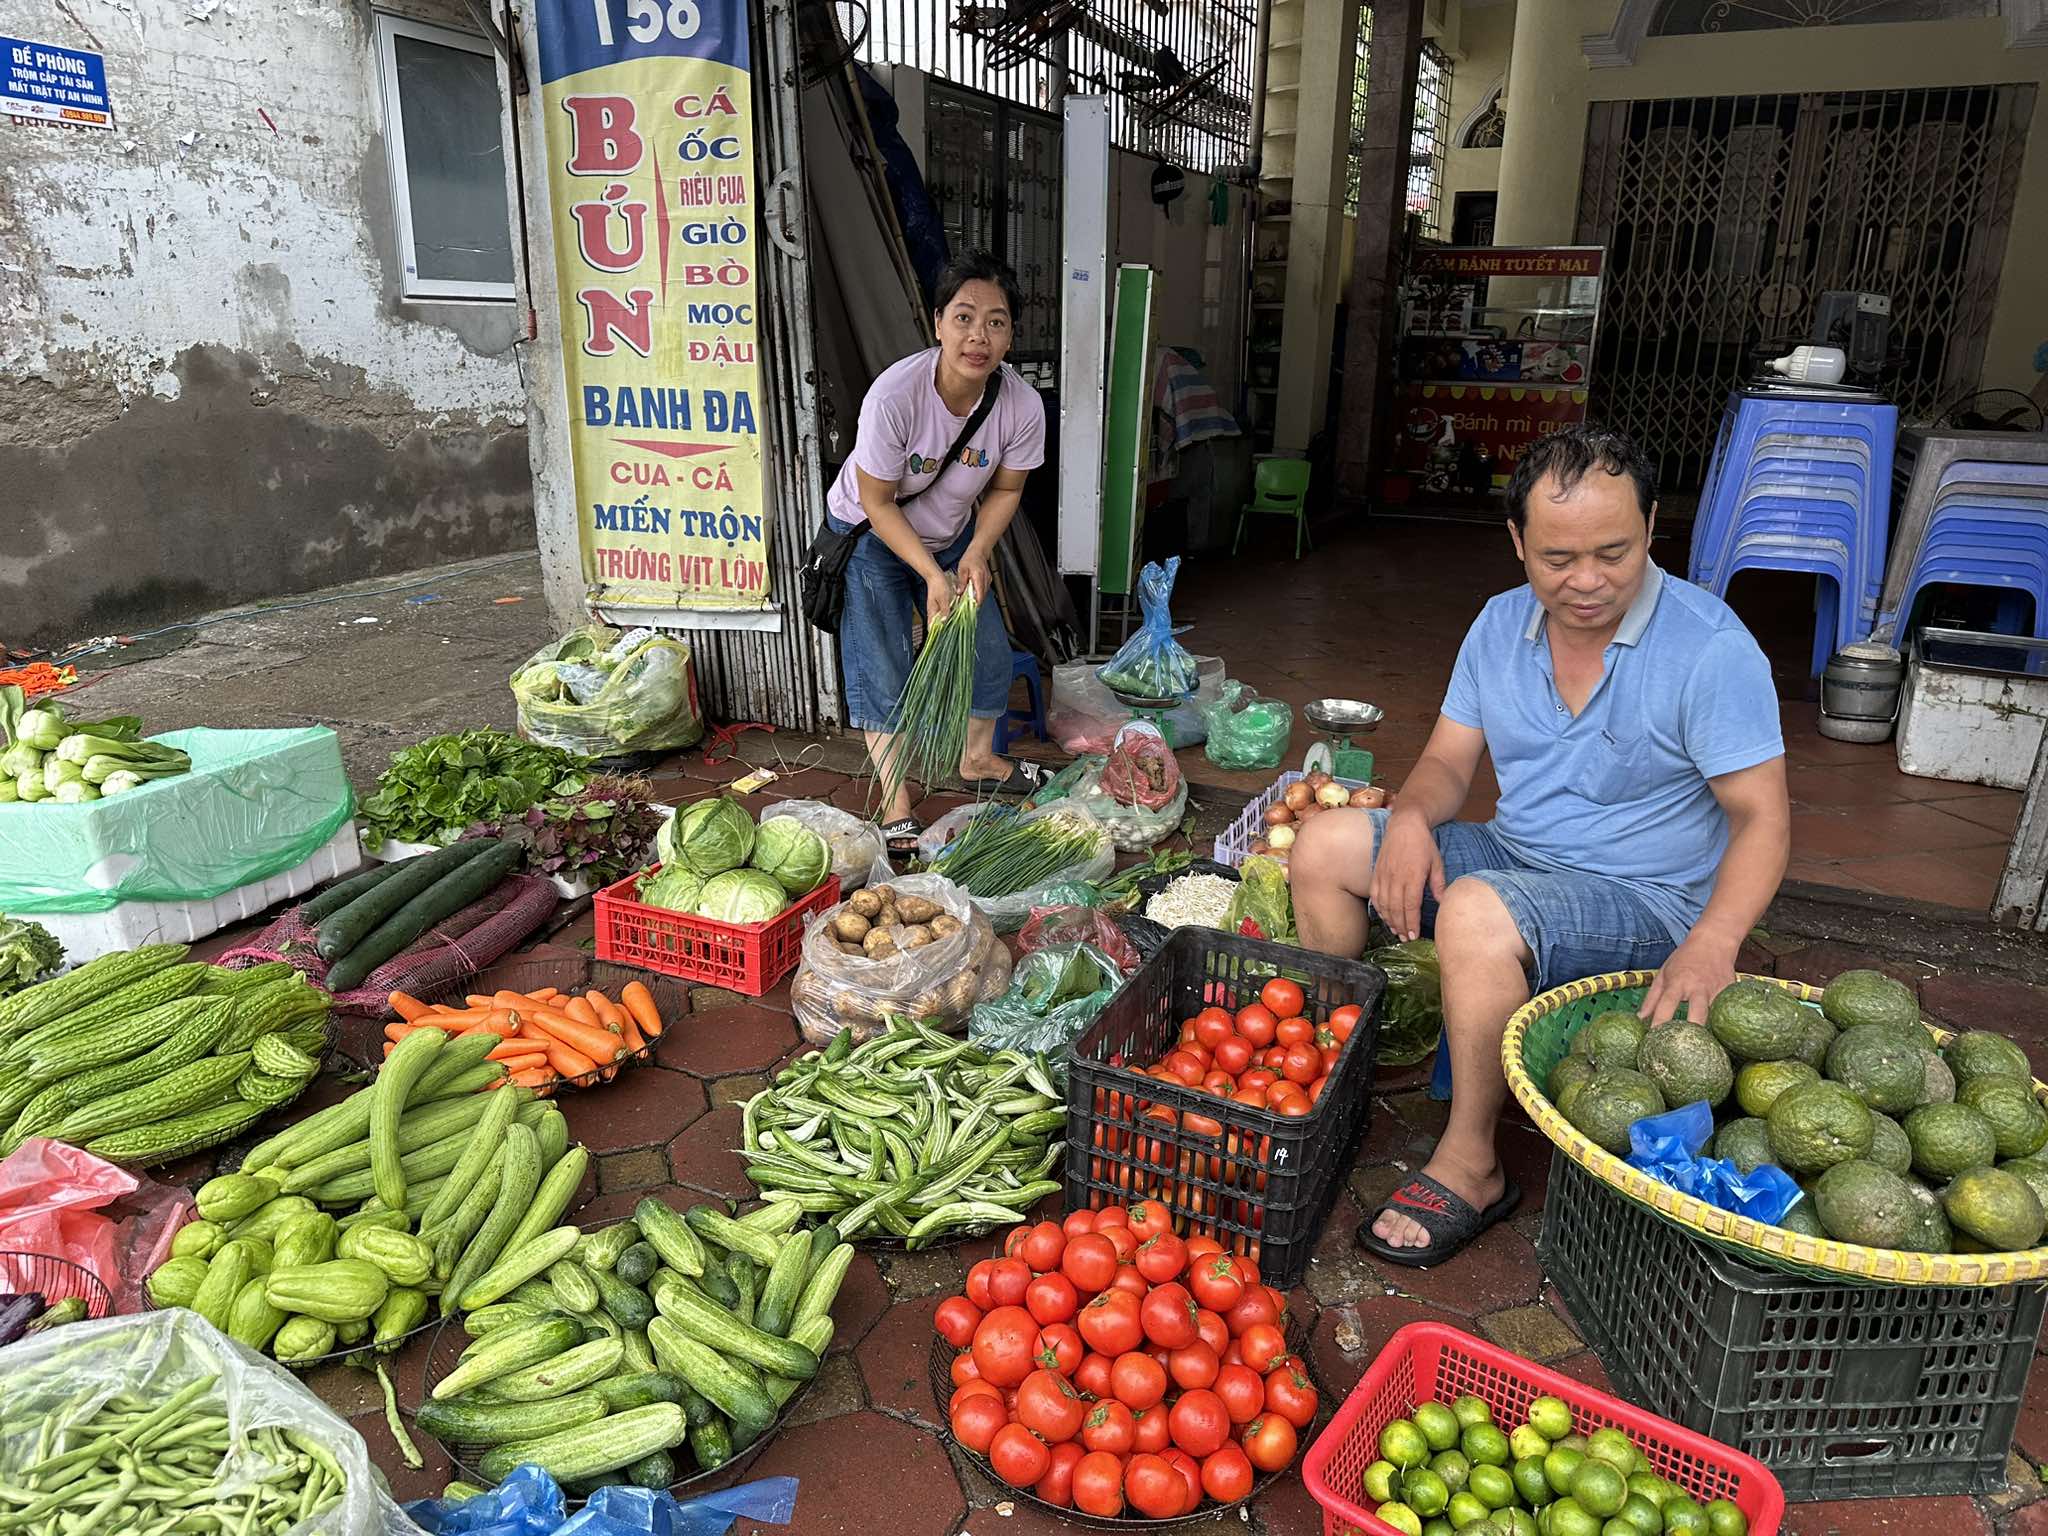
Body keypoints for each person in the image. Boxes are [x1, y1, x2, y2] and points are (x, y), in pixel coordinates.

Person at [1290, 426, 1791, 1267]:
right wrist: (1410, 817)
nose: (1587, 581)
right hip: (1519, 856)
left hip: (1645, 900)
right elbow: (1451, 760)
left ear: (1652, 527)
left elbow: (1763, 818)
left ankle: (1473, 1162)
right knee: (1326, 842)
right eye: (1558, 558)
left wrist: (1714, 940)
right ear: (1518, 541)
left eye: (1614, 552)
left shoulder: (1710, 648)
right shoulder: (1498, 625)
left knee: (1480, 912)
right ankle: (1335, 1081)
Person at [821, 250, 1049, 850]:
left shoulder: (1021, 406)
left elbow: (1005, 488)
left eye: (996, 322)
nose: (979, 336)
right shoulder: (896, 396)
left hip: (951, 537)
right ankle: (896, 804)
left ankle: (977, 760)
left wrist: (975, 553)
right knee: (884, 666)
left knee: (990, 652)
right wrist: (930, 574)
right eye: (965, 317)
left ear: (1010, 335)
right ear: (939, 322)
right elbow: (878, 501)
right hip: (873, 535)